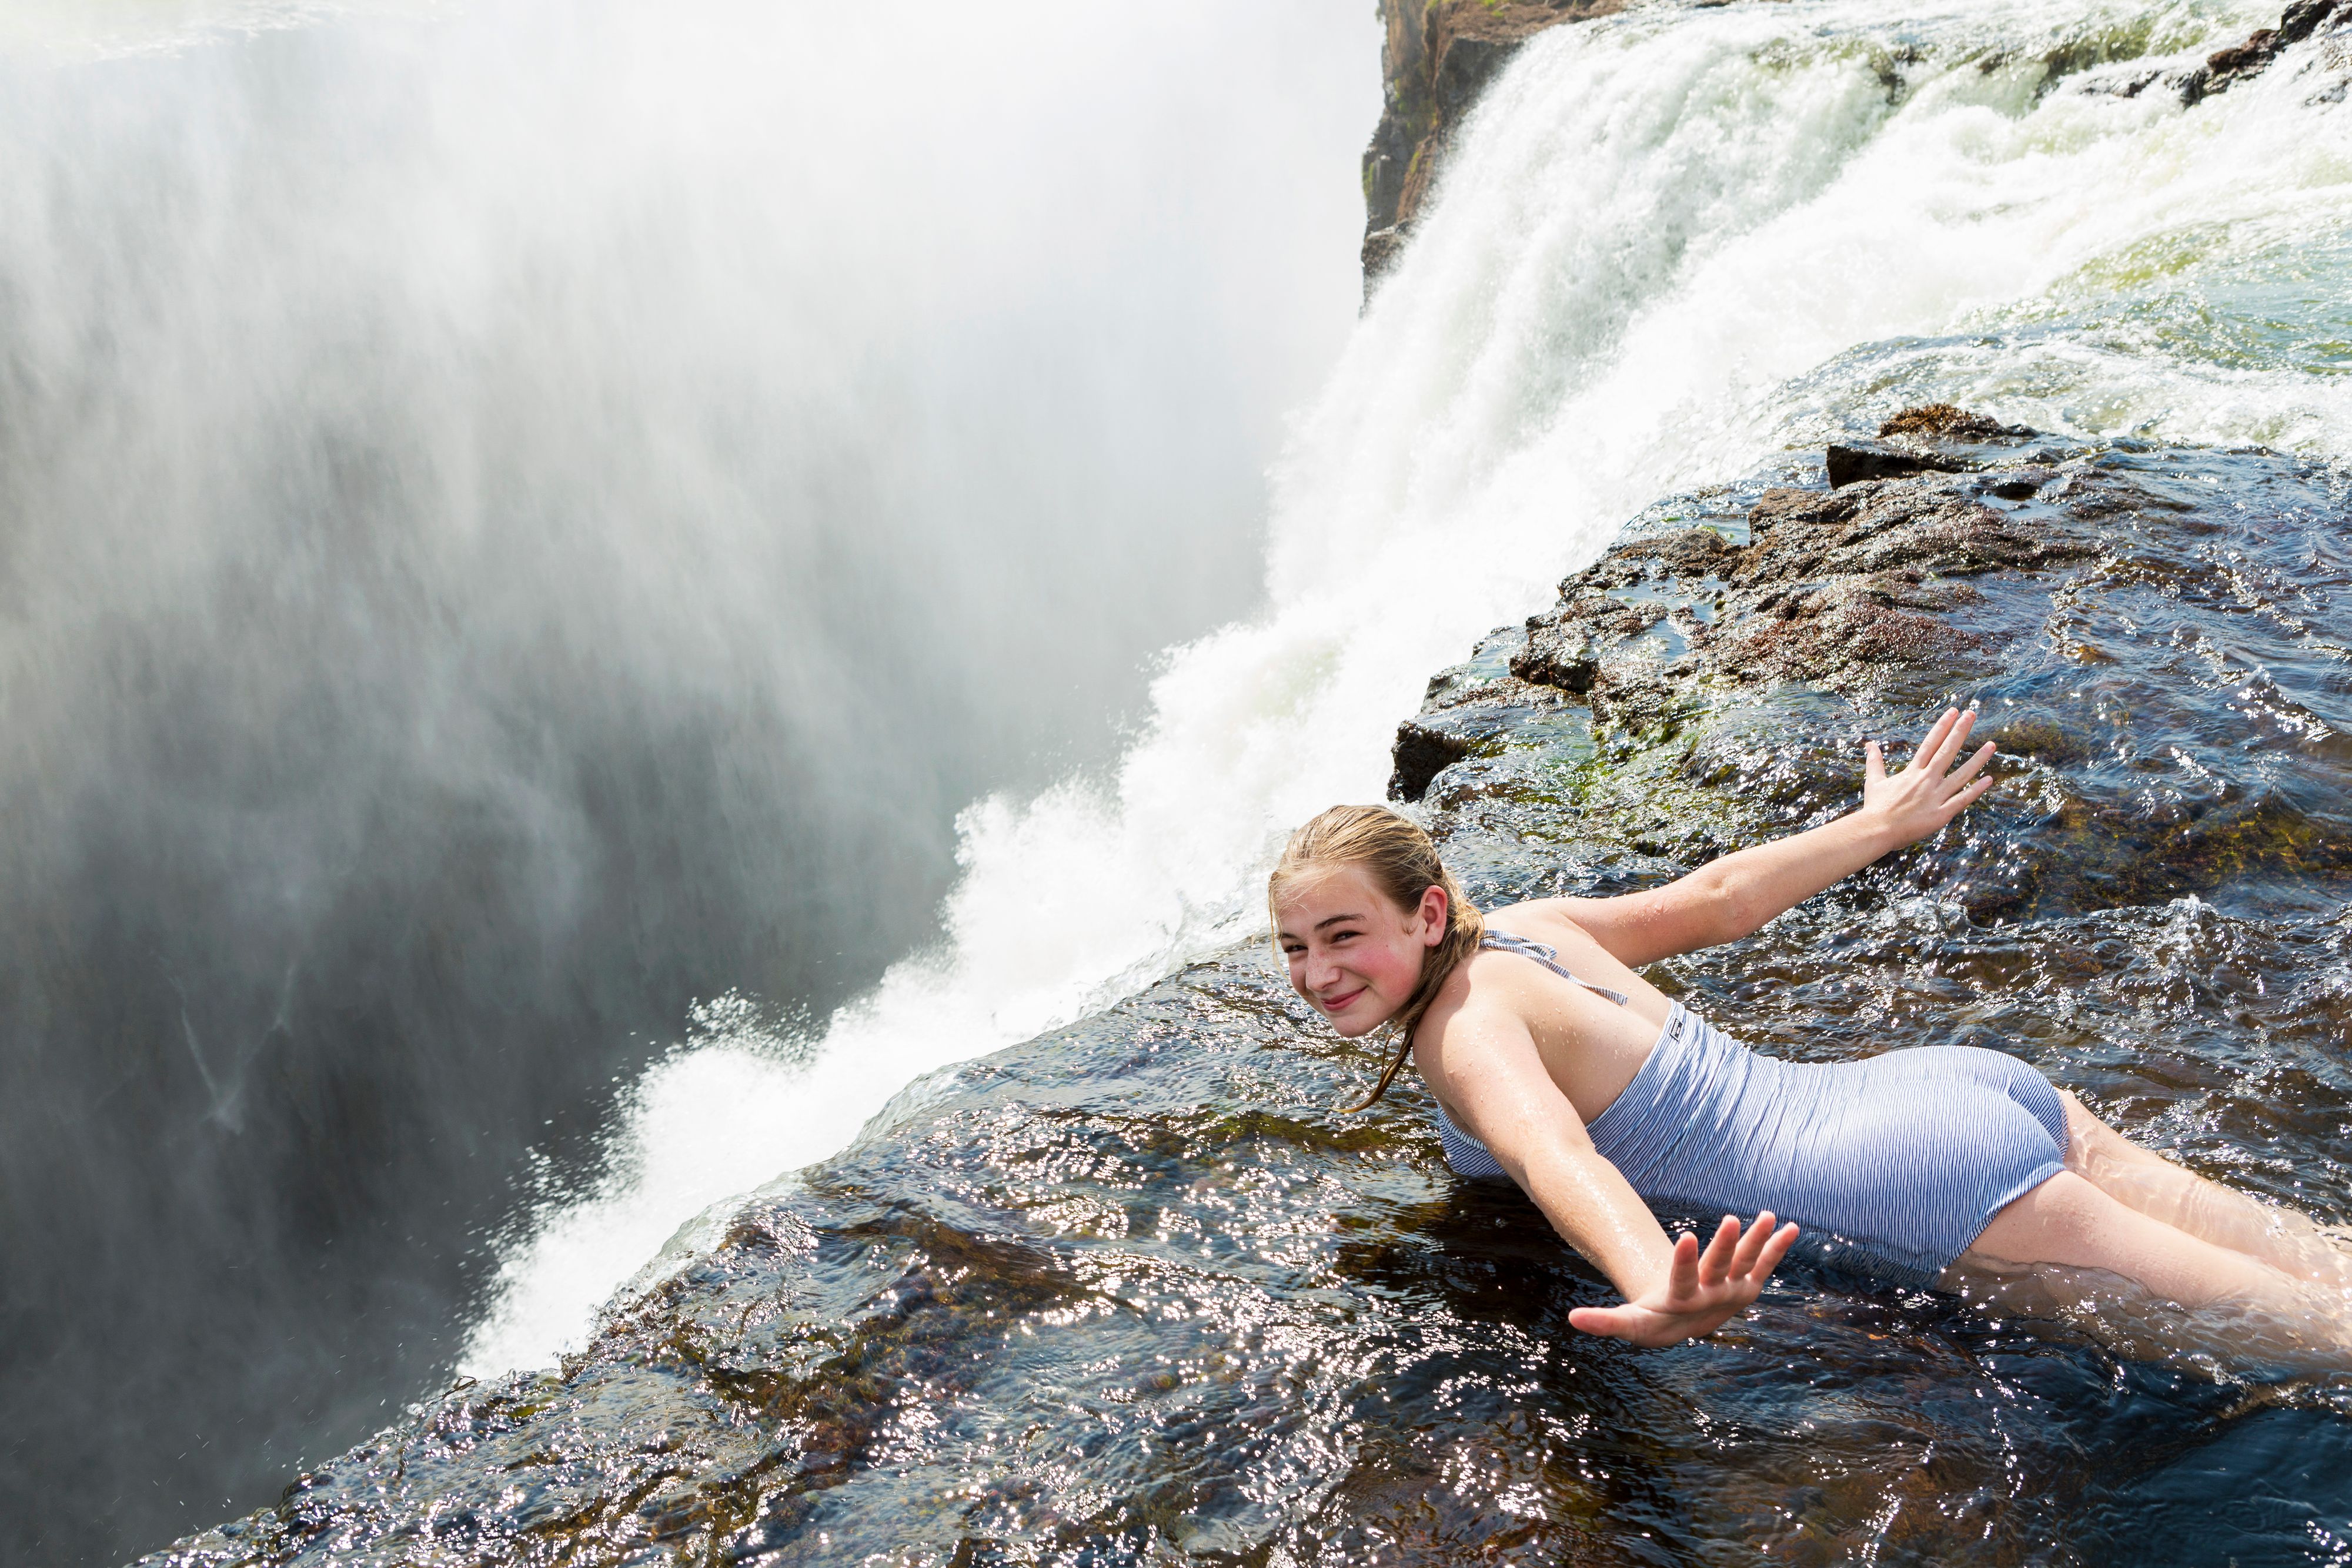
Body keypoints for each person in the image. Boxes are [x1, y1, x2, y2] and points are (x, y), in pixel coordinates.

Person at [1271, 709, 2352, 1353]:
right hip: (1949, 1091)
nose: (1319, 973)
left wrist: (1654, 1281)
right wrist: (1873, 826)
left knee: (2314, 1341)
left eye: (1342, 934)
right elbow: (1723, 894)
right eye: (1294, 947)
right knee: (2312, 1267)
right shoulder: (1527, 929)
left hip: (1905, 1178)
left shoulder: (1461, 1032)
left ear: (1425, 914)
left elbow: (1551, 1152)